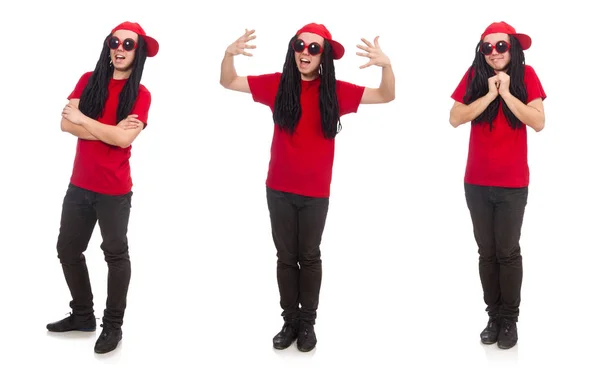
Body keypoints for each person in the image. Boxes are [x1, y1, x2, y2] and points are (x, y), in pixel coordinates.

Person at [220, 22, 395, 352]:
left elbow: (387, 95)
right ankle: (289, 321)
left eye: (314, 48)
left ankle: (307, 324)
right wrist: (229, 54)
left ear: (323, 56)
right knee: (286, 257)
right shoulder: (277, 84)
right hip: (279, 188)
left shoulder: (335, 91)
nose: (305, 52)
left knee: (309, 255)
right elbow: (228, 80)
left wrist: (387, 66)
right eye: (300, 46)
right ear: (293, 49)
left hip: (315, 193)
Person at [46, 21, 159, 354]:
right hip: (79, 186)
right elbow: (66, 123)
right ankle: (82, 315)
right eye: (115, 42)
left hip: (114, 191)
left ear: (137, 53)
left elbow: (125, 138)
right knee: (67, 249)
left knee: (115, 255)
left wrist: (85, 121)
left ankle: (113, 327)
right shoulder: (88, 80)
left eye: (128, 44)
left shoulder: (141, 94)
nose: (120, 49)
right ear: (108, 46)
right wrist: (105, 130)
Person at [449, 21, 546, 350]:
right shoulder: (475, 76)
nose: (494, 52)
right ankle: (493, 316)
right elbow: (455, 117)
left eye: (500, 46)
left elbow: (538, 122)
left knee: (507, 252)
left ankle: (510, 320)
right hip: (475, 182)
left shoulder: (527, 75)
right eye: (487, 47)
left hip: (512, 184)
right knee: (486, 253)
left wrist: (506, 92)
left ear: (513, 48)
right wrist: (490, 92)